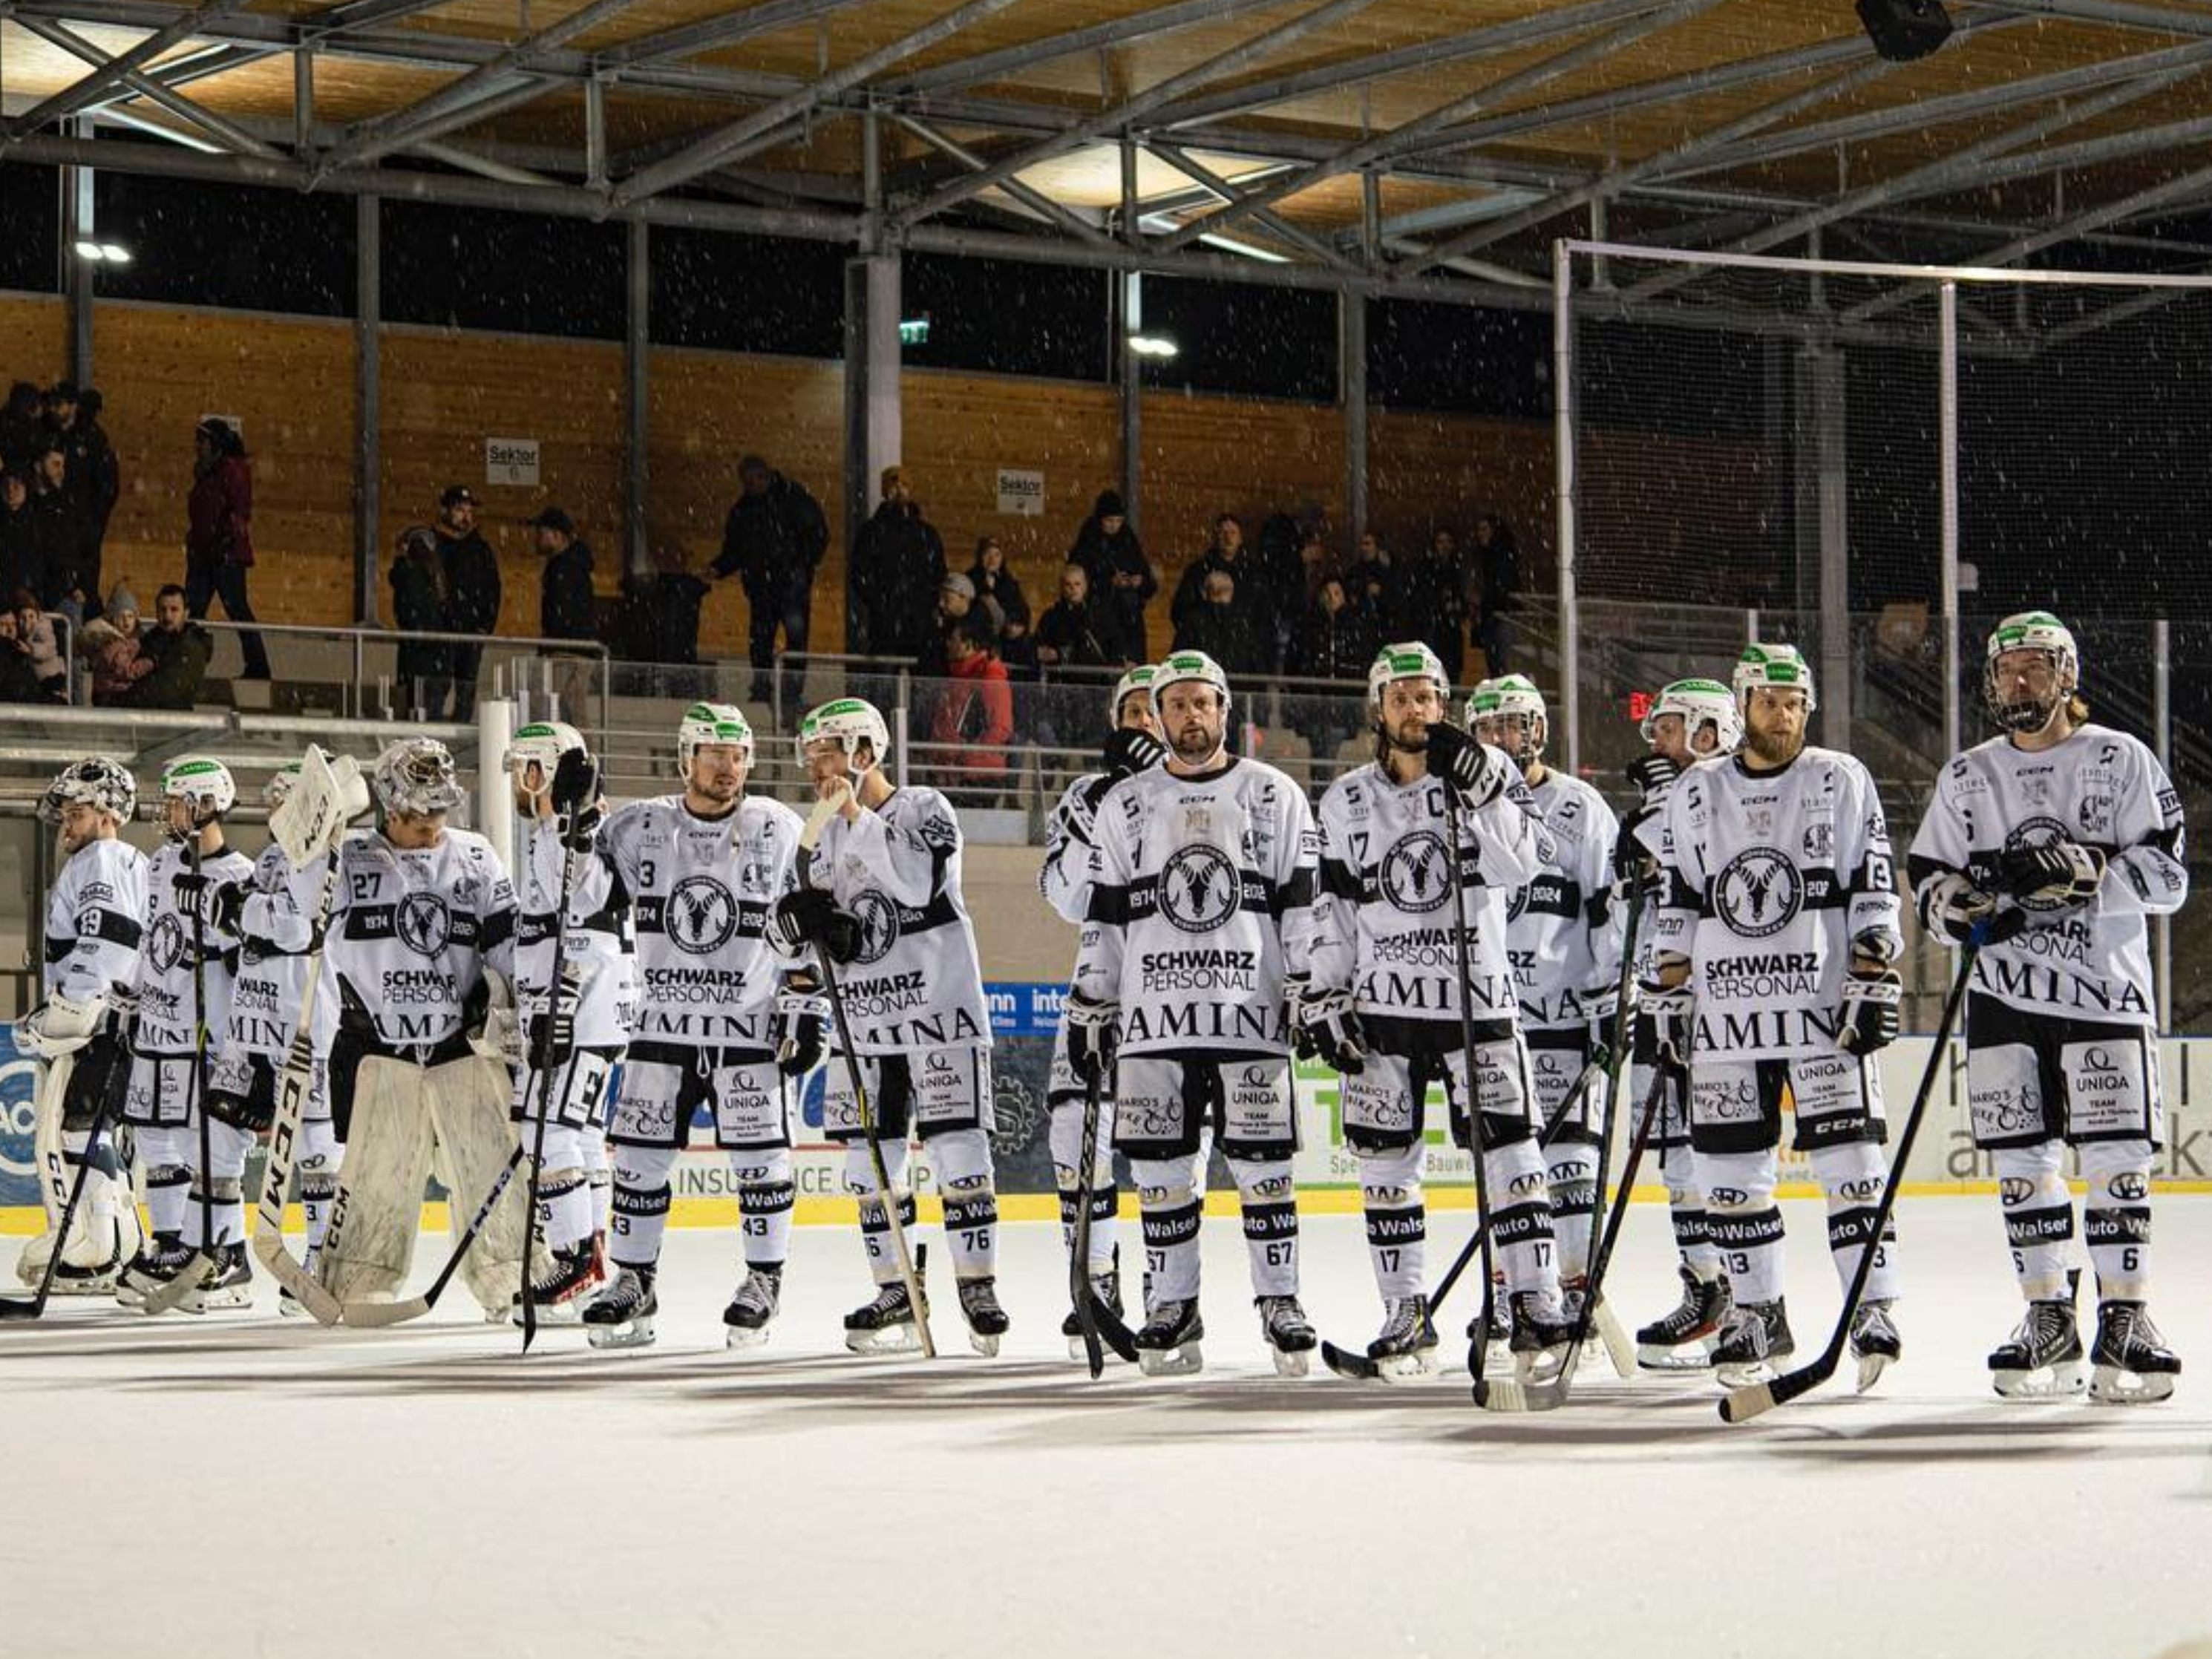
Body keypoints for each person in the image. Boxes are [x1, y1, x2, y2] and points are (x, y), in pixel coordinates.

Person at [1907, 612, 2187, 1403]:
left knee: (2114, 1158)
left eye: (2034, 667)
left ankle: (2126, 1318)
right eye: (2006, 670)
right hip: (2002, 1001)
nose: (2018, 682)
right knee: (2023, 1164)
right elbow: (1927, 874)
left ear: (2067, 676)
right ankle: (2048, 1316)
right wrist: (1954, 909)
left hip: (2104, 995)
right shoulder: (1967, 776)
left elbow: (2170, 880)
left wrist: (2088, 871)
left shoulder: (2118, 757)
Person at [1644, 643, 1907, 1390]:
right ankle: (1757, 1311)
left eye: (1794, 704)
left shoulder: (1839, 777)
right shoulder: (1696, 790)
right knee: (1729, 1179)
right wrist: (1666, 992)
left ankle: (1870, 1309)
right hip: (1726, 1016)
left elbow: (1873, 879)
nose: (1783, 716)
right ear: (1743, 705)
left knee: (1851, 1170)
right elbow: (1678, 899)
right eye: (1769, 703)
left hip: (1821, 1009)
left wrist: (1870, 971)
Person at [1301, 644, 1568, 1378]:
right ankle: (1404, 1309)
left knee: (1512, 1158)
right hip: (1383, 1008)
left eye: (1427, 698)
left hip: (1476, 1002)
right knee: (1385, 1169)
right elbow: (1336, 910)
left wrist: (1482, 787)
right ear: (1378, 708)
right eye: (1401, 698)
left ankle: (1536, 1303)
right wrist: (1324, 994)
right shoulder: (1345, 798)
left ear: (1444, 706)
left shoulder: (1487, 775)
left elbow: (1527, 864)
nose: (1415, 711)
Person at [1065, 649, 1321, 1376]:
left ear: (1223, 710)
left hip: (1250, 1016)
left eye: (1201, 702)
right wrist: (1091, 1002)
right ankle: (1173, 1306)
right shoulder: (1125, 804)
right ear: (1160, 713)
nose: (1188, 716)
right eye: (1174, 704)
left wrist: (1307, 986)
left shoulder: (1272, 794)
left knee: (1265, 1169)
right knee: (1161, 1175)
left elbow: (1302, 906)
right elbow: (1104, 918)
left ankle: (1280, 1302)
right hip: (1153, 1022)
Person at [770, 697, 1008, 1356]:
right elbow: (795, 934)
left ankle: (976, 1284)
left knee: (960, 1152)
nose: (817, 766)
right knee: (866, 1165)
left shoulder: (925, 807)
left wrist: (851, 814)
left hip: (938, 1010)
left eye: (829, 751)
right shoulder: (813, 835)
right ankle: (897, 1288)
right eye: (811, 754)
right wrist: (799, 930)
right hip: (865, 1022)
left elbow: (914, 883)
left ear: (865, 753)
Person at [586, 704, 817, 1351]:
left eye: (738, 754)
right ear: (686, 756)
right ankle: (635, 1279)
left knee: (761, 1161)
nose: (728, 766)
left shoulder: (778, 826)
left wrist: (807, 1005)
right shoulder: (640, 826)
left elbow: (811, 919)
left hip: (748, 1026)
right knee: (637, 1158)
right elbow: (577, 896)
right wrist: (569, 825)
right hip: (661, 1023)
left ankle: (763, 1281)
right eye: (715, 753)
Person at [313, 738, 536, 1319]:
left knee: (492, 1168)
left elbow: (508, 944)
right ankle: (361, 1275)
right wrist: (308, 848)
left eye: (441, 810)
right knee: (378, 1175)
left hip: (462, 1045)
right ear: (388, 805)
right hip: (379, 1050)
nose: (433, 824)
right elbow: (294, 923)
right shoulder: (347, 858)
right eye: (419, 813)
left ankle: (511, 1276)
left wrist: (531, 1004)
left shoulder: (477, 855)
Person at [1469, 674, 1623, 1326]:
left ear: (1538, 726)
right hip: (1496, 1019)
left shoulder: (1580, 807)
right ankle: (1514, 1290)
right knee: (1508, 1170)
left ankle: (1575, 1285)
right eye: (1490, 728)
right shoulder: (1464, 806)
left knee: (1570, 1168)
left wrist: (1612, 1001)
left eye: (1514, 723)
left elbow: (1609, 909)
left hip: (1565, 1016)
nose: (1504, 738)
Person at [1037, 665, 1165, 1352]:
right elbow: (1065, 895)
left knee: (1165, 1145)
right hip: (1100, 981)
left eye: (1157, 710)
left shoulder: (1204, 786)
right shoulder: (1087, 794)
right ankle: (1094, 1277)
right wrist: (1112, 800)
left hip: (1180, 990)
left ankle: (1167, 1287)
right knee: (1072, 1129)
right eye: (1134, 712)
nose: (1145, 722)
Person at [1618, 677, 1744, 1371]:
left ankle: (1739, 1294)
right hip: (1657, 1000)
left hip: (1716, 1001)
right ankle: (1704, 1287)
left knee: (1714, 1157)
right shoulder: (1658, 805)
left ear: (1706, 730)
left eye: (1669, 729)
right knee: (1674, 1157)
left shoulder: (1737, 791)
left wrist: (1661, 812)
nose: (1657, 743)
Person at [502, 721, 633, 1321]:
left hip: (585, 1009)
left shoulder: (589, 828)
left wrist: (561, 1003)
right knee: (577, 1136)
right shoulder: (548, 832)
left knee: (546, 1131)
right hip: (571, 1007)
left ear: (548, 770)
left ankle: (574, 1258)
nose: (518, 783)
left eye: (526, 769)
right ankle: (596, 1254)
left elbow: (590, 912)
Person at [207, 762, 352, 1310]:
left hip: (303, 1019)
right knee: (222, 1125)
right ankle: (225, 1251)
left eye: (282, 800)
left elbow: (294, 926)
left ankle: (321, 1256)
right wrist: (242, 912)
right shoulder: (272, 855)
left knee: (314, 1146)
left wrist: (242, 908)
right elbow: (247, 920)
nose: (272, 810)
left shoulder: (317, 858)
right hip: (253, 1014)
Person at [115, 759, 257, 1313]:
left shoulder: (239, 875)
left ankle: (226, 1252)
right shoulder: (159, 864)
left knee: (212, 1147)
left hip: (209, 1034)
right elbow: (154, 937)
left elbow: (249, 962)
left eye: (176, 802)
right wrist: (133, 990)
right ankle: (174, 1244)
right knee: (154, 1139)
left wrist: (220, 945)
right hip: (158, 1025)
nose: (167, 812)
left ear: (203, 806)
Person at [11, 759, 148, 1294]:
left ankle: (97, 1247)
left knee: (76, 1128)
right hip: (114, 1017)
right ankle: (114, 1239)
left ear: (110, 813)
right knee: (86, 1127)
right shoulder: (119, 859)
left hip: (101, 1019)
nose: (66, 824)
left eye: (77, 812)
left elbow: (107, 941)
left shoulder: (101, 860)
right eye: (64, 814)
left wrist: (72, 1003)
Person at [713, 454, 828, 707]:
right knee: (769, 640)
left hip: (780, 584)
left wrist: (798, 565)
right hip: (771, 586)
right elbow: (735, 550)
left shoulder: (760, 507)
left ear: (764, 476)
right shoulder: (774, 503)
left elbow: (816, 535)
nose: (751, 485)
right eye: (748, 481)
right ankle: (774, 689)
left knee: (777, 640)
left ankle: (782, 690)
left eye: (754, 480)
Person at [184, 417, 269, 680]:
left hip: (223, 553)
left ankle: (257, 665)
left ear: (215, 444)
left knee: (232, 610)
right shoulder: (211, 471)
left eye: (202, 441)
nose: (198, 446)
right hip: (208, 552)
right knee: (195, 612)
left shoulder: (229, 470)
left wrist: (224, 541)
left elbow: (237, 510)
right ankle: (188, 662)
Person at [850, 466, 945, 661]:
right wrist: (879, 602)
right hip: (885, 623)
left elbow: (939, 572)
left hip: (920, 622)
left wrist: (928, 602)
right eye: (893, 485)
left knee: (919, 678)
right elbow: (859, 572)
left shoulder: (927, 534)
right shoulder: (872, 532)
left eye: (904, 485)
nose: (899, 490)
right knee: (886, 679)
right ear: (885, 491)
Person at [48, 383, 119, 613]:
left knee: (81, 581)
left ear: (73, 406)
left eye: (59, 404)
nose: (53, 410)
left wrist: (92, 517)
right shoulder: (64, 436)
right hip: (71, 519)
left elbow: (106, 485)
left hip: (81, 521)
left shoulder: (88, 439)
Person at [929, 615, 1015, 795]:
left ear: (969, 644)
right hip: (953, 773)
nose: (948, 645)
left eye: (953, 639)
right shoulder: (959, 676)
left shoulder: (990, 677)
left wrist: (966, 759)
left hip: (978, 776)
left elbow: (1001, 727)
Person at [436, 485, 500, 718]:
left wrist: (484, 626)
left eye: (468, 510)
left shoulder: (480, 549)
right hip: (441, 633)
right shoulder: (433, 545)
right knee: (436, 690)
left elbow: (493, 590)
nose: (465, 515)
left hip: (471, 633)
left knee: (466, 692)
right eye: (459, 509)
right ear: (445, 511)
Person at [1068, 490, 1155, 663]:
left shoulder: (1128, 541)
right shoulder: (1088, 543)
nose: (1114, 526)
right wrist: (1108, 583)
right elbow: (1077, 579)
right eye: (1109, 521)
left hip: (1129, 618)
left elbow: (1149, 583)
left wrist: (1139, 582)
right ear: (1100, 520)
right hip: (1098, 618)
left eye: (1118, 521)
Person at [531, 505, 599, 724]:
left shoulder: (565, 568)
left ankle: (582, 754)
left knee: (564, 706)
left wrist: (553, 641)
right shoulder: (569, 565)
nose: (537, 539)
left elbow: (564, 611)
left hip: (568, 649)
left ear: (557, 536)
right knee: (568, 707)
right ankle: (580, 753)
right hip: (571, 646)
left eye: (542, 534)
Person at [390, 525, 452, 719]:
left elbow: (410, 615)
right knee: (428, 713)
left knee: (418, 711)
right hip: (432, 658)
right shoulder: (430, 577)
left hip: (420, 657)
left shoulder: (413, 575)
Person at [117, 585, 210, 710]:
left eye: (174, 610)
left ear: (186, 614)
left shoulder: (191, 648)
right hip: (143, 720)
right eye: (163, 610)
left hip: (174, 723)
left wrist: (120, 698)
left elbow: (164, 692)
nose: (168, 616)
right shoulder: (149, 640)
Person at [1168, 513, 1251, 641]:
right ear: (1215, 537)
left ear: (1240, 538)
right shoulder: (1197, 572)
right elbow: (1181, 610)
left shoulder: (1253, 574)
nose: (1228, 537)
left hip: (1242, 645)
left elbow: (1263, 616)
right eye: (1223, 532)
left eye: (1233, 532)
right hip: (1205, 646)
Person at [1401, 528, 1467, 684]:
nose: (1444, 547)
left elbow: (1460, 601)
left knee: (1450, 675)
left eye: (1448, 542)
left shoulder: (1457, 570)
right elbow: (1419, 600)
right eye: (1440, 542)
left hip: (1449, 632)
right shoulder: (1425, 570)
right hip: (1432, 629)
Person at [1171, 567, 1265, 676]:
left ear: (1205, 593)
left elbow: (1176, 660)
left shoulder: (1192, 622)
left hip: (1202, 686)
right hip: (1237, 688)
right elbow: (1258, 663)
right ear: (1231, 592)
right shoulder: (1244, 623)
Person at [83, 583, 152, 705]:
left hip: (122, 692)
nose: (126, 621)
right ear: (113, 619)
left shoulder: (137, 638)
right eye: (121, 616)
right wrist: (150, 662)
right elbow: (126, 671)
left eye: (130, 616)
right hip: (112, 695)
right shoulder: (111, 643)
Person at [1033, 562, 1111, 670]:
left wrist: (1060, 655)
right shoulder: (1051, 617)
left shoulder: (1099, 616)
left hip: (1093, 680)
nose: (1073, 589)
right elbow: (1037, 645)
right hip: (1060, 681)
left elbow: (1104, 652)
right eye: (1068, 584)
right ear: (1062, 588)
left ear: (1085, 586)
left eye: (1077, 584)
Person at [1472, 514, 1522, 678]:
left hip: (1502, 614)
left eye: (1485, 529)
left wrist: (1487, 600)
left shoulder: (1500, 555)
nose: (1481, 534)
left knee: (1501, 660)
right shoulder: (1487, 555)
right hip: (1494, 614)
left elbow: (1503, 586)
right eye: (1479, 530)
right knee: (1495, 661)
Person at [969, 535, 1030, 657]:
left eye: (997, 555)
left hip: (1006, 640)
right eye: (988, 554)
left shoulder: (1009, 583)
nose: (992, 559)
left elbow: (1021, 610)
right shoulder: (970, 580)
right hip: (977, 641)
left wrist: (1016, 625)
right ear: (980, 556)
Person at [14, 589, 68, 701]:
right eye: (23, 618)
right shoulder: (18, 631)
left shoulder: (43, 627)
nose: (27, 621)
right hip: (36, 678)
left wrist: (31, 650)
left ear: (37, 615)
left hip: (51, 675)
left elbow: (49, 648)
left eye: (31, 616)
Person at [1348, 529, 1401, 641]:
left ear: (1377, 546)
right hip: (1364, 628)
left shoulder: (1388, 570)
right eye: (1362, 544)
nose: (1364, 548)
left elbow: (1398, 599)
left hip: (1386, 627)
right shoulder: (1355, 572)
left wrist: (1381, 592)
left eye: (1368, 544)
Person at [0, 609, 45, 704]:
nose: (10, 630)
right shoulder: (6, 652)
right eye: (3, 624)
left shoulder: (20, 651)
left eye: (13, 624)